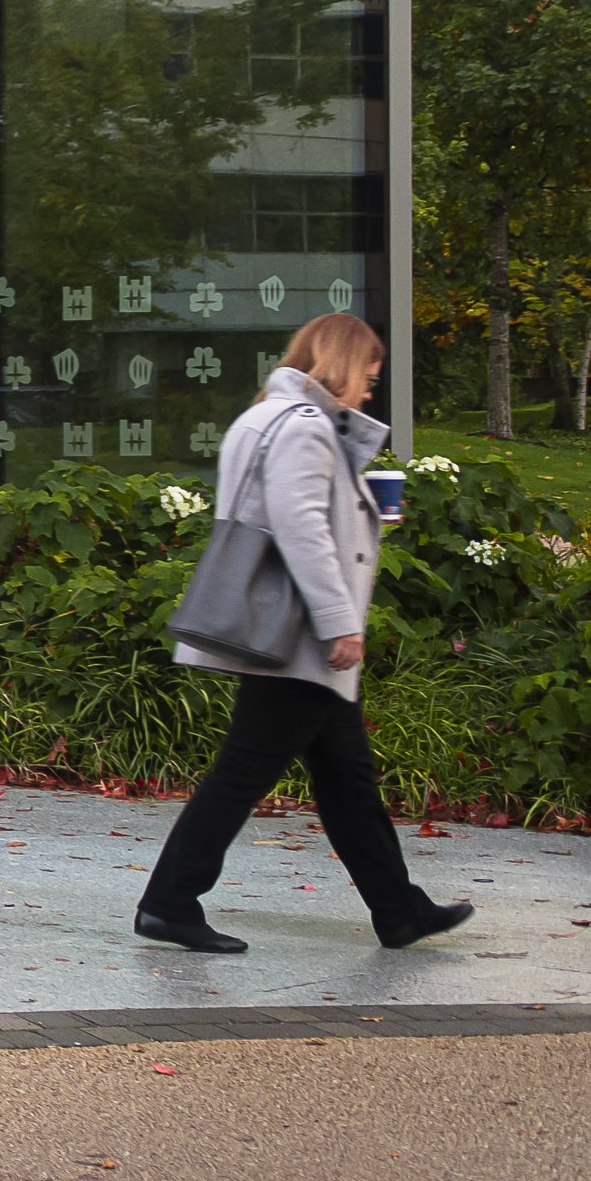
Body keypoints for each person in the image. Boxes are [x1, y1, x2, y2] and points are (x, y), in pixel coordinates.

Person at [135, 310, 472, 955]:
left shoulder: (263, 416)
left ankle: (398, 910)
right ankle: (168, 902)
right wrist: (339, 621)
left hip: (290, 632)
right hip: (298, 637)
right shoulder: (305, 429)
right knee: (243, 773)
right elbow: (301, 527)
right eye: (369, 378)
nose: (370, 391)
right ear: (343, 364)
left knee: (348, 781)